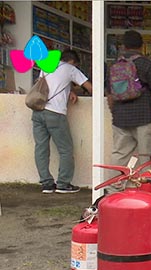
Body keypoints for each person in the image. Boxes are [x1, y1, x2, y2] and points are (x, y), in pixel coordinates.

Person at [32, 49, 93, 194]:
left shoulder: (47, 64)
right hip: (55, 113)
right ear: (72, 61)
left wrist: (69, 90)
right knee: (65, 149)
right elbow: (90, 88)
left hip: (38, 111)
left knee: (41, 147)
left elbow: (48, 85)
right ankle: (63, 184)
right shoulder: (71, 69)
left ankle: (46, 183)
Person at [109, 30, 151, 169]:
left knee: (120, 155)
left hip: (120, 119)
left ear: (123, 46)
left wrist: (115, 113)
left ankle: (114, 188)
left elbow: (110, 95)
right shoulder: (147, 65)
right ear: (142, 46)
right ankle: (146, 188)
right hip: (145, 118)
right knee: (147, 157)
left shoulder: (114, 66)